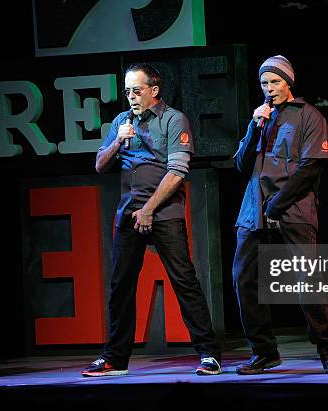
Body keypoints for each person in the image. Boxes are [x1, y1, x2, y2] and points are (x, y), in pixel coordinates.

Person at [82, 63, 222, 377]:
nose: (131, 96)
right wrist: (118, 141)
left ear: (153, 91)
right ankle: (115, 359)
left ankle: (209, 354)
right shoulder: (121, 121)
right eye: (128, 91)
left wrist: (149, 210)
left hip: (164, 214)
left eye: (137, 90)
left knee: (184, 282)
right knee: (121, 287)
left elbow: (177, 172)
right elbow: (100, 165)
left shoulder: (173, 120)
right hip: (128, 214)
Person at [232, 55, 328, 374]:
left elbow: (311, 167)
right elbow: (240, 164)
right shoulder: (261, 118)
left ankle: (326, 349)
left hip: (292, 208)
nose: (269, 89)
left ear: (289, 82)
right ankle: (264, 351)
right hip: (253, 209)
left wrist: (276, 204)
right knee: (244, 278)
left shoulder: (309, 116)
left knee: (308, 280)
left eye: (275, 82)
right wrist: (254, 127)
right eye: (264, 83)